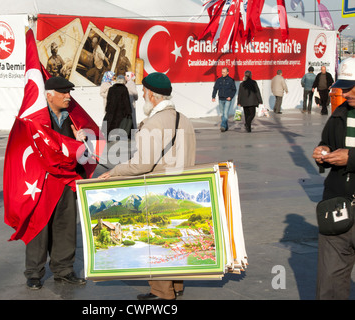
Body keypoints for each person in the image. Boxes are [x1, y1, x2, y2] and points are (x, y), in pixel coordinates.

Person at [99, 72, 196, 300]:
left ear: (152, 95)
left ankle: (162, 292)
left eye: (144, 93)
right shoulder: (184, 119)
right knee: (174, 237)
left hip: (158, 189)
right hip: (182, 188)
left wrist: (115, 171)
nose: (142, 97)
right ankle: (177, 286)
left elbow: (142, 164)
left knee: (156, 240)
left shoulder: (154, 123)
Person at [24, 76, 87, 289]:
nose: (68, 96)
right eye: (63, 93)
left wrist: (80, 143)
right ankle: (34, 272)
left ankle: (64, 270)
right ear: (49, 96)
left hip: (67, 182)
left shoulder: (73, 120)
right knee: (39, 227)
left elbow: (81, 154)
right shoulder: (38, 120)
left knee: (66, 226)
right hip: (42, 183)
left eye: (69, 92)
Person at [312, 57, 355, 299]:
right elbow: (327, 142)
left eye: (351, 86)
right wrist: (322, 153)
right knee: (329, 282)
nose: (345, 92)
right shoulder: (339, 113)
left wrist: (351, 158)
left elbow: (349, 156)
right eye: (343, 85)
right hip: (338, 206)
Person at [212, 67, 236, 132]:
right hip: (221, 99)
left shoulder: (231, 80)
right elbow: (215, 88)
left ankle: (223, 126)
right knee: (223, 113)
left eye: (224, 72)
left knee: (225, 113)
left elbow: (234, 90)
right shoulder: (219, 80)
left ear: (227, 72)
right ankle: (226, 126)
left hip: (228, 99)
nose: (223, 73)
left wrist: (231, 97)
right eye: (222, 72)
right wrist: (213, 97)